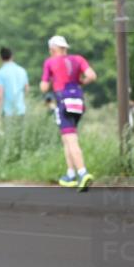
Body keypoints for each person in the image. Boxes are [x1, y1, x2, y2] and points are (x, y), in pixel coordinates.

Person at [40, 35, 96, 191]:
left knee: (71, 140)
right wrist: (81, 82)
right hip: (78, 101)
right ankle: (70, 175)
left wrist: (51, 78)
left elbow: (43, 87)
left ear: (52, 49)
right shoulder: (78, 59)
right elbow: (91, 75)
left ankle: (82, 173)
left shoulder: (50, 62)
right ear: (65, 48)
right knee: (67, 138)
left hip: (63, 101)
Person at [0, 47, 29, 128]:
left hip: (8, 113)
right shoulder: (22, 71)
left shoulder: (0, 73)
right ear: (12, 56)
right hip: (21, 110)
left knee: (9, 138)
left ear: (0, 58)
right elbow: (27, 90)